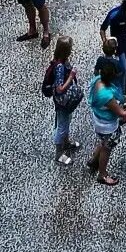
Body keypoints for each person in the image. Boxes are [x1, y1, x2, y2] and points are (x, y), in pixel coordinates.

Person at [85, 56, 126, 185]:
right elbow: (120, 112)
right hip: (107, 125)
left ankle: (94, 160)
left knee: (103, 142)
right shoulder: (106, 95)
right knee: (107, 148)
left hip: (99, 119)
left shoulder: (97, 80)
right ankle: (102, 175)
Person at [45, 35, 83, 165]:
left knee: (66, 122)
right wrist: (71, 76)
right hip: (63, 101)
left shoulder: (59, 61)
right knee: (62, 126)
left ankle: (66, 143)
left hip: (66, 101)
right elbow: (60, 88)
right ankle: (58, 154)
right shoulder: (60, 66)